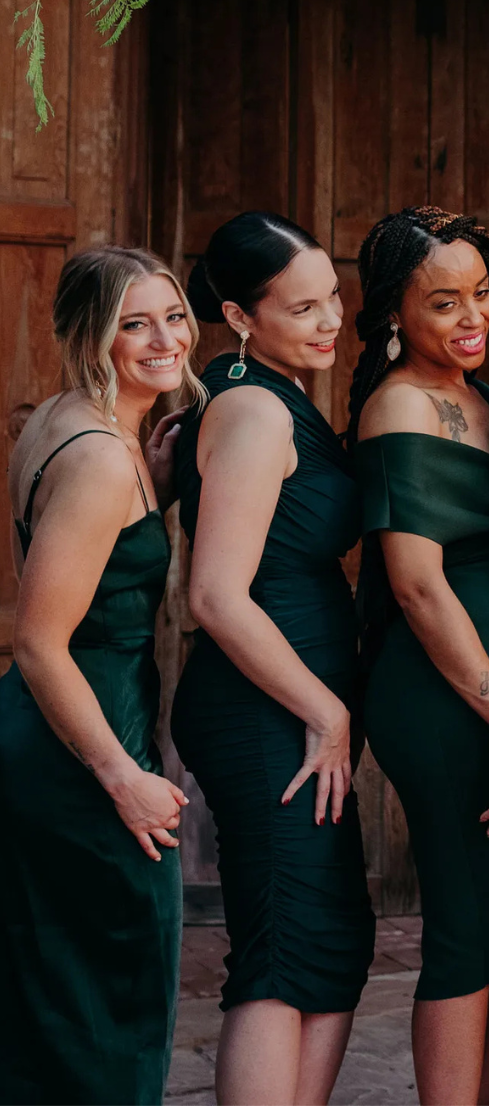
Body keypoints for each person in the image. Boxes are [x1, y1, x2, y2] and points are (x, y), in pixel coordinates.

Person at [348, 207, 489, 1105]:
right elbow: (416, 585)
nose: (474, 316)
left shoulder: (477, 392)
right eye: (445, 303)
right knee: (467, 930)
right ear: (396, 314)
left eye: (481, 293)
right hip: (450, 706)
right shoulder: (399, 403)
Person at [172, 211, 375, 1106]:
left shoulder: (265, 389)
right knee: (284, 942)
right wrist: (327, 712)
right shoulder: (253, 408)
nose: (331, 318)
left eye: (334, 295)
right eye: (303, 307)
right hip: (267, 711)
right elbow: (214, 594)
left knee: (328, 933)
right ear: (240, 315)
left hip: (290, 704)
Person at [0, 248, 200, 1104]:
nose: (166, 339)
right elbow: (39, 641)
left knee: (53, 994)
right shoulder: (95, 458)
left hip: (51, 734)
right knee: (115, 984)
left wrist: (146, 491)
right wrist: (120, 774)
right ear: (92, 335)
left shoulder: (66, 421)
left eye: (175, 314)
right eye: (135, 323)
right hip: (78, 742)